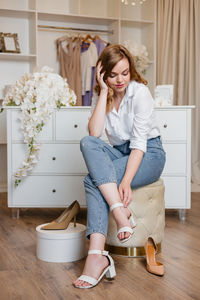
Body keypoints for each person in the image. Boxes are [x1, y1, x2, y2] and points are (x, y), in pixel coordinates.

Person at [73, 44, 166, 288]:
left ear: (131, 70)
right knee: (87, 143)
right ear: (103, 74)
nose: (120, 80)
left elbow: (138, 145)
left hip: (149, 154)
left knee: (90, 179)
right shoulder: (104, 93)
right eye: (113, 75)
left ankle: (96, 257)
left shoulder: (140, 93)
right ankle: (119, 212)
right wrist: (103, 92)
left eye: (125, 73)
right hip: (119, 152)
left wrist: (124, 181)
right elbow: (94, 135)